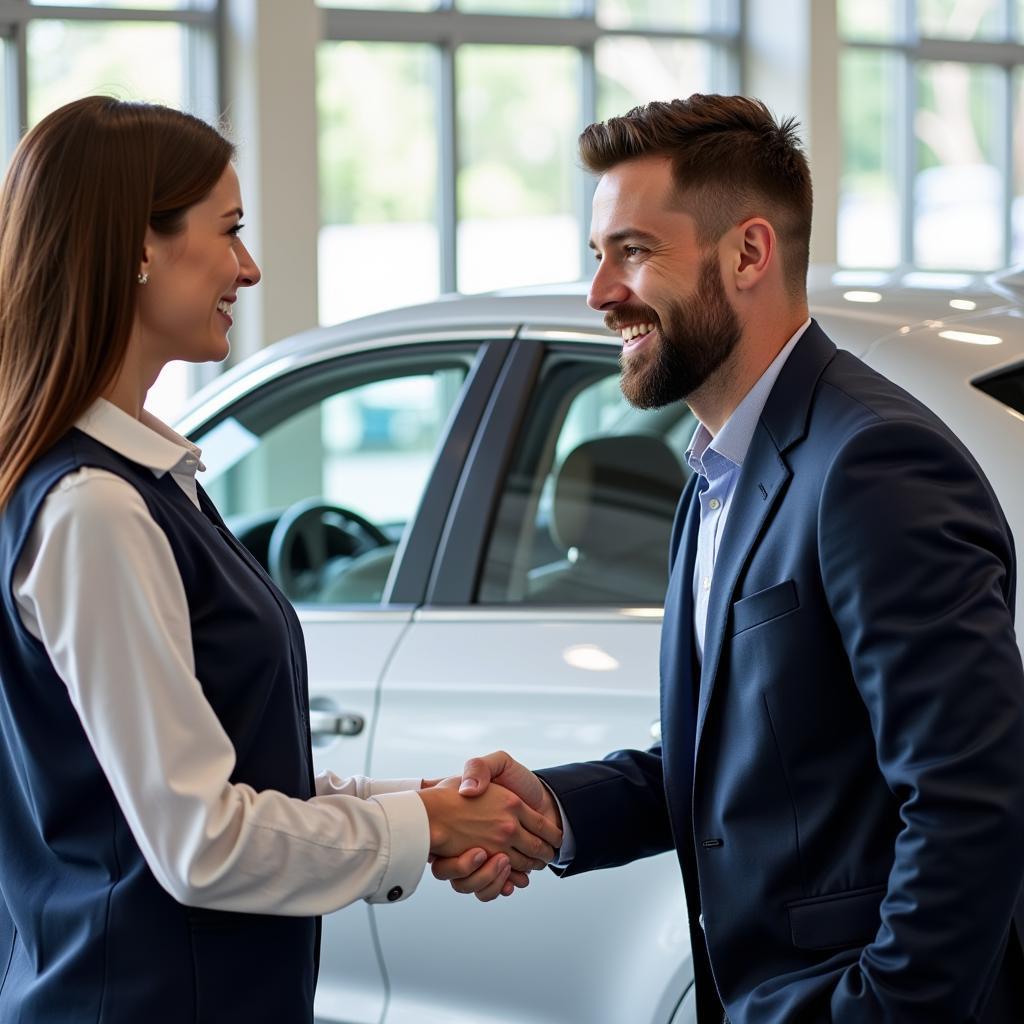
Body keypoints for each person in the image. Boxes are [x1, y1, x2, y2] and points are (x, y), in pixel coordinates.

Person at [432, 95, 1024, 1023]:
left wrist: (875, 1013)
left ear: (749, 253)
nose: (600, 294)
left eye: (633, 252)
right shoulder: (719, 469)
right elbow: (738, 762)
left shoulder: (871, 463)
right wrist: (554, 811)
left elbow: (974, 801)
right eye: (599, 255)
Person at [0, 96, 559, 1023]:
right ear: (136, 246)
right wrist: (427, 824)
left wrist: (428, 809)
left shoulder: (136, 478)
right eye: (229, 232)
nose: (249, 268)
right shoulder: (95, 506)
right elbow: (201, 841)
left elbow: (236, 786)